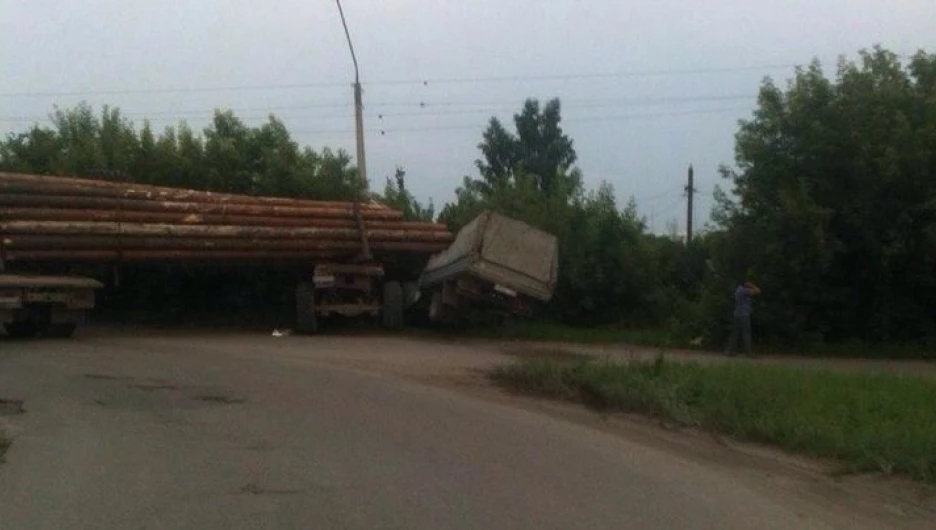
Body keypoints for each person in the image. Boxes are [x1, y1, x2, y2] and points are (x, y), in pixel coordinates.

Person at [726, 279, 761, 356]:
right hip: (744, 315)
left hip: (736, 314)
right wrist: (752, 285)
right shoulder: (744, 291)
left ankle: (730, 351)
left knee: (735, 333)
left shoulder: (738, 290)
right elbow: (758, 291)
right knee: (746, 333)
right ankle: (748, 352)